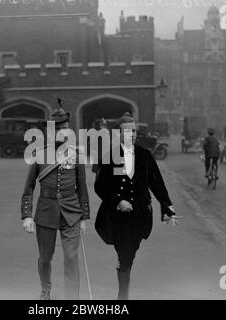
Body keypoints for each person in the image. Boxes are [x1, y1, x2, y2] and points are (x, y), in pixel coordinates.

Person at [94, 112, 181, 300]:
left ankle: (124, 266)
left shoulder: (145, 155)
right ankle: (122, 296)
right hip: (119, 217)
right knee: (124, 253)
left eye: (133, 131)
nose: (131, 135)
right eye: (127, 132)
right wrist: (118, 202)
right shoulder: (110, 156)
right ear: (119, 134)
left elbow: (157, 183)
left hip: (141, 214)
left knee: (132, 251)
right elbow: (100, 186)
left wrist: (168, 208)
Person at [21, 105, 90, 300]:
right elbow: (29, 187)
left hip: (71, 212)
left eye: (65, 128)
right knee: (45, 258)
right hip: (46, 212)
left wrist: (84, 217)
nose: (62, 132)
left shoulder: (76, 156)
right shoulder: (40, 154)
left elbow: (82, 187)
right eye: (58, 128)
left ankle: (72, 298)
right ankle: (46, 290)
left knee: (71, 257)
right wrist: (26, 215)